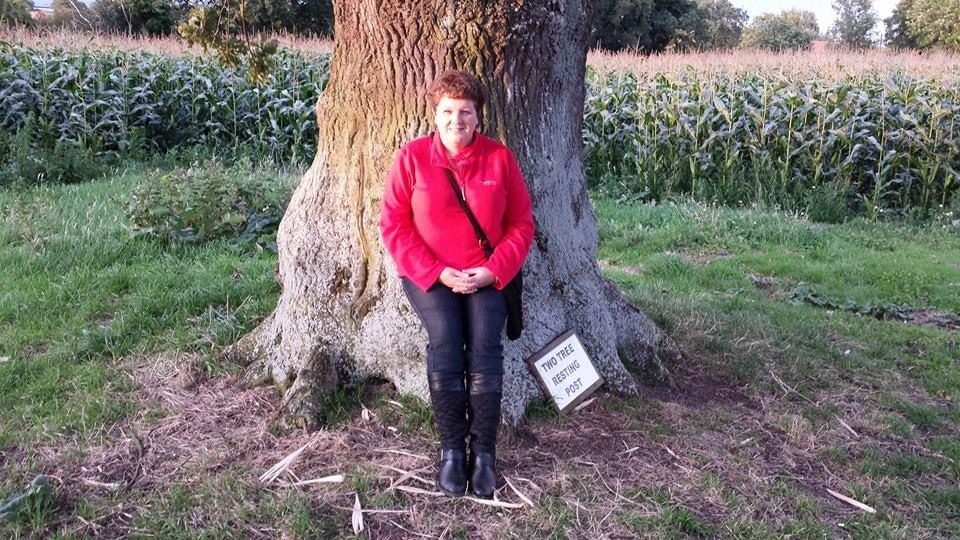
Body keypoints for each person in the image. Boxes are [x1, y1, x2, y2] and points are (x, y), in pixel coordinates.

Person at [379, 70, 535, 498]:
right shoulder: (411, 158)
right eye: (447, 111)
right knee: (446, 343)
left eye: (465, 112)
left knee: (485, 346)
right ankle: (451, 452)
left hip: (488, 273)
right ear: (435, 115)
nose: (456, 120)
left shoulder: (500, 159)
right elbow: (393, 223)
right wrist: (435, 271)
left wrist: (493, 270)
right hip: (431, 274)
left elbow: (521, 224)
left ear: (478, 117)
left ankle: (484, 454)